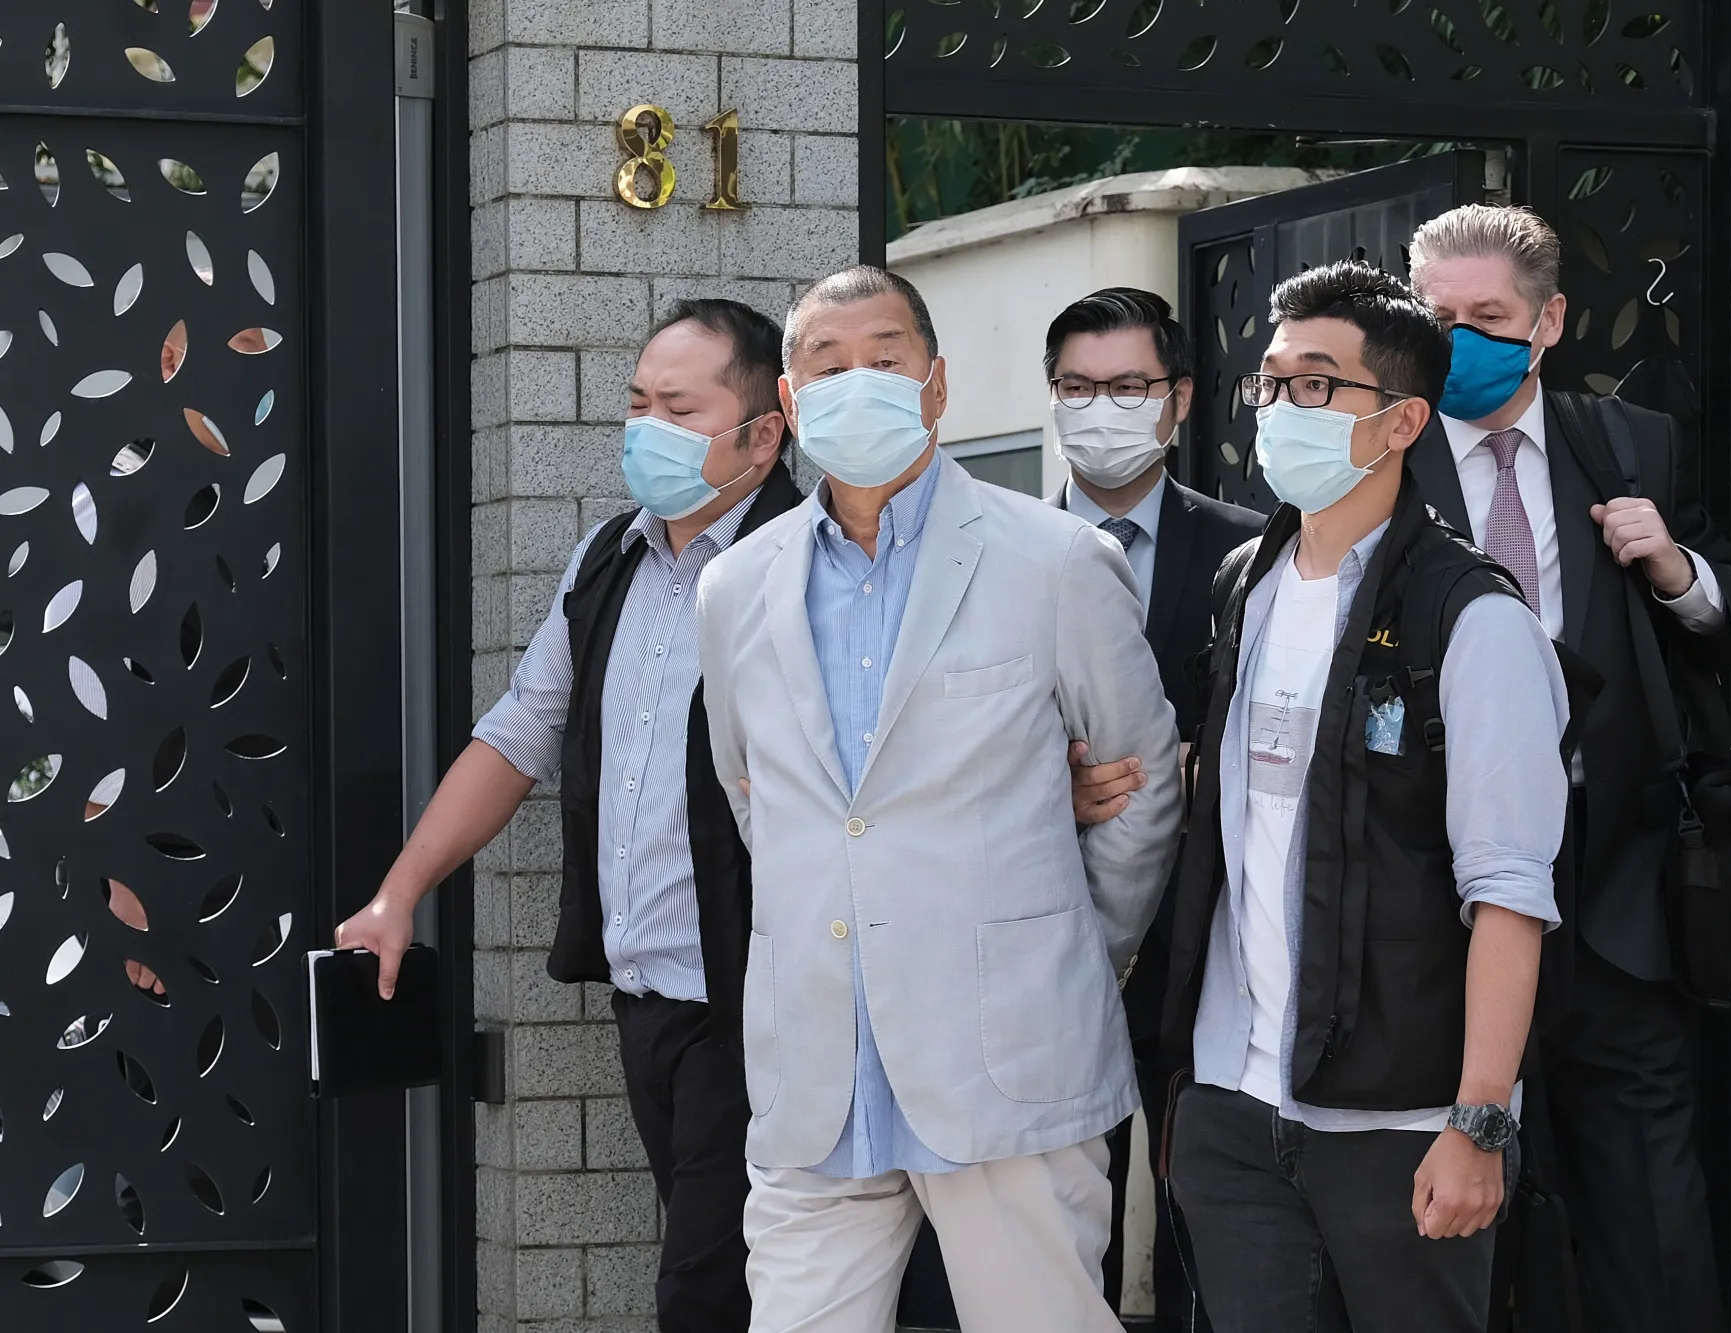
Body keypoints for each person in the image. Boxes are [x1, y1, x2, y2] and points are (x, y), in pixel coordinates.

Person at [695, 264, 1183, 1333]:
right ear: (787, 400)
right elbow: (757, 799)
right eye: (826, 365)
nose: (856, 380)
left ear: (936, 384)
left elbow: (1140, 784)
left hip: (1010, 1053)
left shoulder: (1052, 560)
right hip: (818, 1063)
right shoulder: (735, 586)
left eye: (885, 357)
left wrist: (1058, 951)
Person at [335, 299, 800, 1333]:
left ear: (764, 431)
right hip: (648, 993)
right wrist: (398, 892)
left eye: (677, 408)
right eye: (636, 401)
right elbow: (516, 737)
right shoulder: (611, 557)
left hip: (764, 997)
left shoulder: (803, 562)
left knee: (706, 1289)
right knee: (725, 1265)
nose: (645, 427)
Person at [1157, 261, 1571, 1332]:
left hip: (1401, 1119)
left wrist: (1478, 1120)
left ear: (1399, 422)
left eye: (1314, 386)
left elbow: (1508, 891)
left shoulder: (1470, 620)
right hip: (1231, 1107)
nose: (1278, 410)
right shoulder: (1242, 583)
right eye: (1270, 383)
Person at [1403, 203, 1731, 1332]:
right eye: (1436, 316)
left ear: (1547, 320)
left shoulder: (1626, 442)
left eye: (1487, 318)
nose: (1459, 338)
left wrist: (1672, 567)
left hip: (1617, 907)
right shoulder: (1377, 450)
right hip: (1434, 920)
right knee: (1440, 1227)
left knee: (1647, 1220)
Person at [1044, 286, 1261, 1329]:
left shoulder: (1253, 554)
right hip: (1058, 923)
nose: (1100, 409)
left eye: (1126, 386)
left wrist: (1197, 766)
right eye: (1077, 388)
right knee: (1059, 1211)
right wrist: (1057, 783)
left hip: (1212, 932)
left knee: (1202, 1209)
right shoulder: (1005, 554)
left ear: (1175, 400)